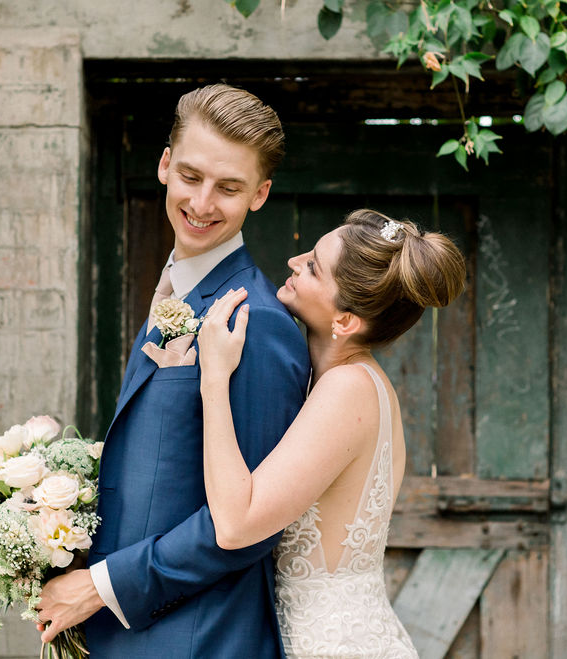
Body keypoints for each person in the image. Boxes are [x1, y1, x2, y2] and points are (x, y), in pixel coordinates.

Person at [33, 84, 311, 657]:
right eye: (190, 176)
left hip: (197, 638)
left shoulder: (256, 321)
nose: (203, 203)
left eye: (229, 188)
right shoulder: (179, 291)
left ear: (259, 195)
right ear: (164, 165)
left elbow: (248, 524)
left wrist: (100, 587)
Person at [196, 209, 466, 658]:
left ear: (345, 321)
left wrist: (213, 378)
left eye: (313, 267)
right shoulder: (343, 382)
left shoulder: (348, 390)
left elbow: (235, 523)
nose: (294, 261)